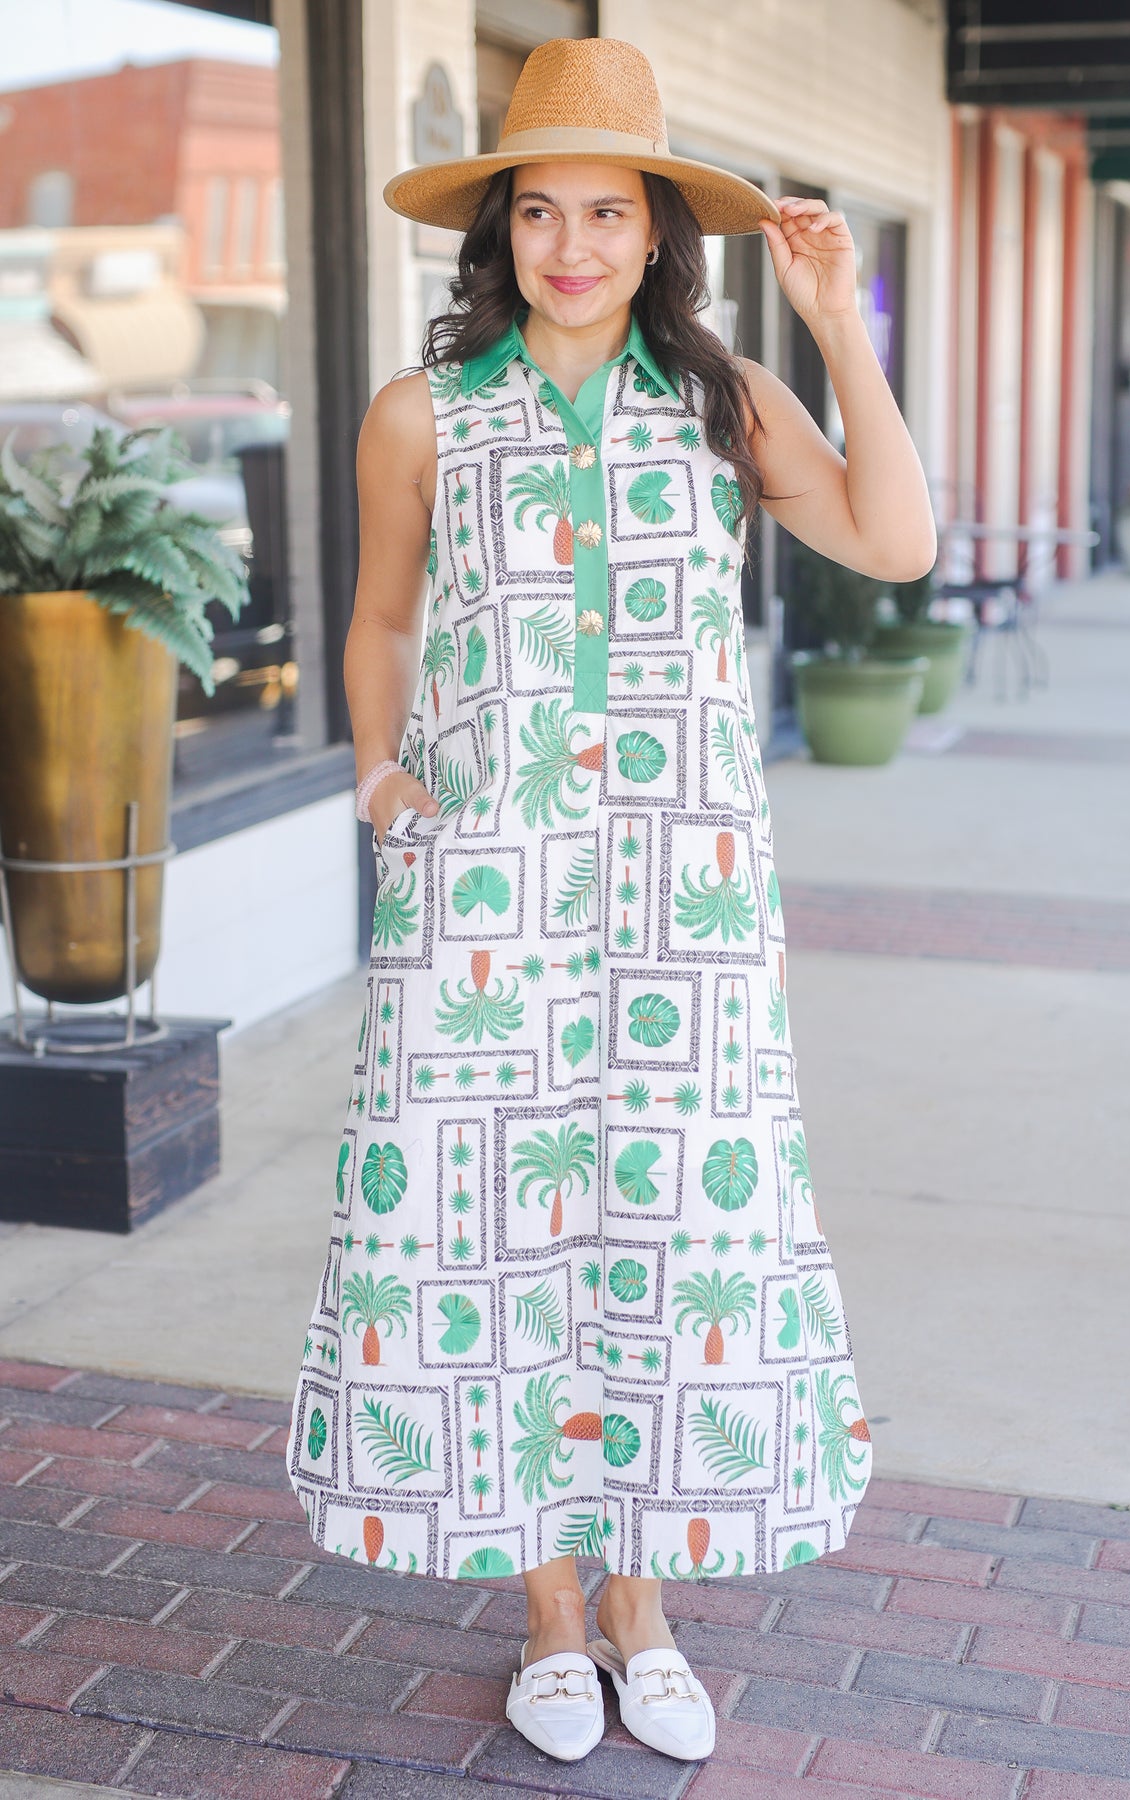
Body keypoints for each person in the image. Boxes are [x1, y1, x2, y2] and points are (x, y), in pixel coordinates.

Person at [285, 35, 936, 1768]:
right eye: (543, 212)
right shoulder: (425, 417)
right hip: (485, 910)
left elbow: (896, 537)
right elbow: (377, 623)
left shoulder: (720, 402)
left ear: (660, 238)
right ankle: (551, 1615)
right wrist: (378, 778)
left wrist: (840, 328)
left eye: (610, 214)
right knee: (493, 1253)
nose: (574, 244)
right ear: (502, 232)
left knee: (670, 1243)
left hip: (686, 912)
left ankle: (647, 1605)